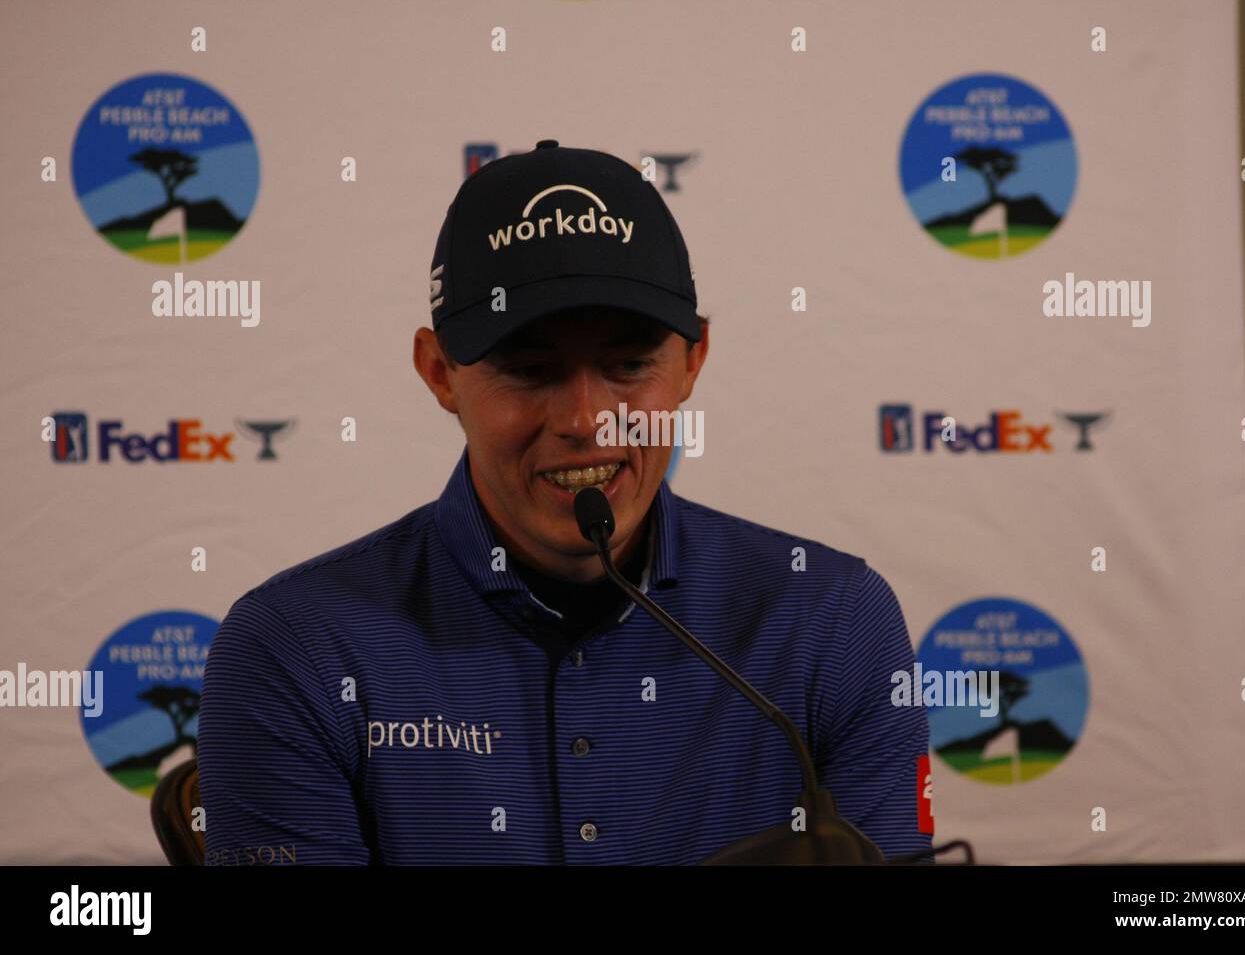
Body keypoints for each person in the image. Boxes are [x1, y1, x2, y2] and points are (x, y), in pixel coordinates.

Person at [197, 140, 933, 864]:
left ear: (693, 362)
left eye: (629, 365)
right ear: (439, 375)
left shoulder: (835, 623)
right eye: (528, 369)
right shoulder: (292, 648)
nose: (586, 420)